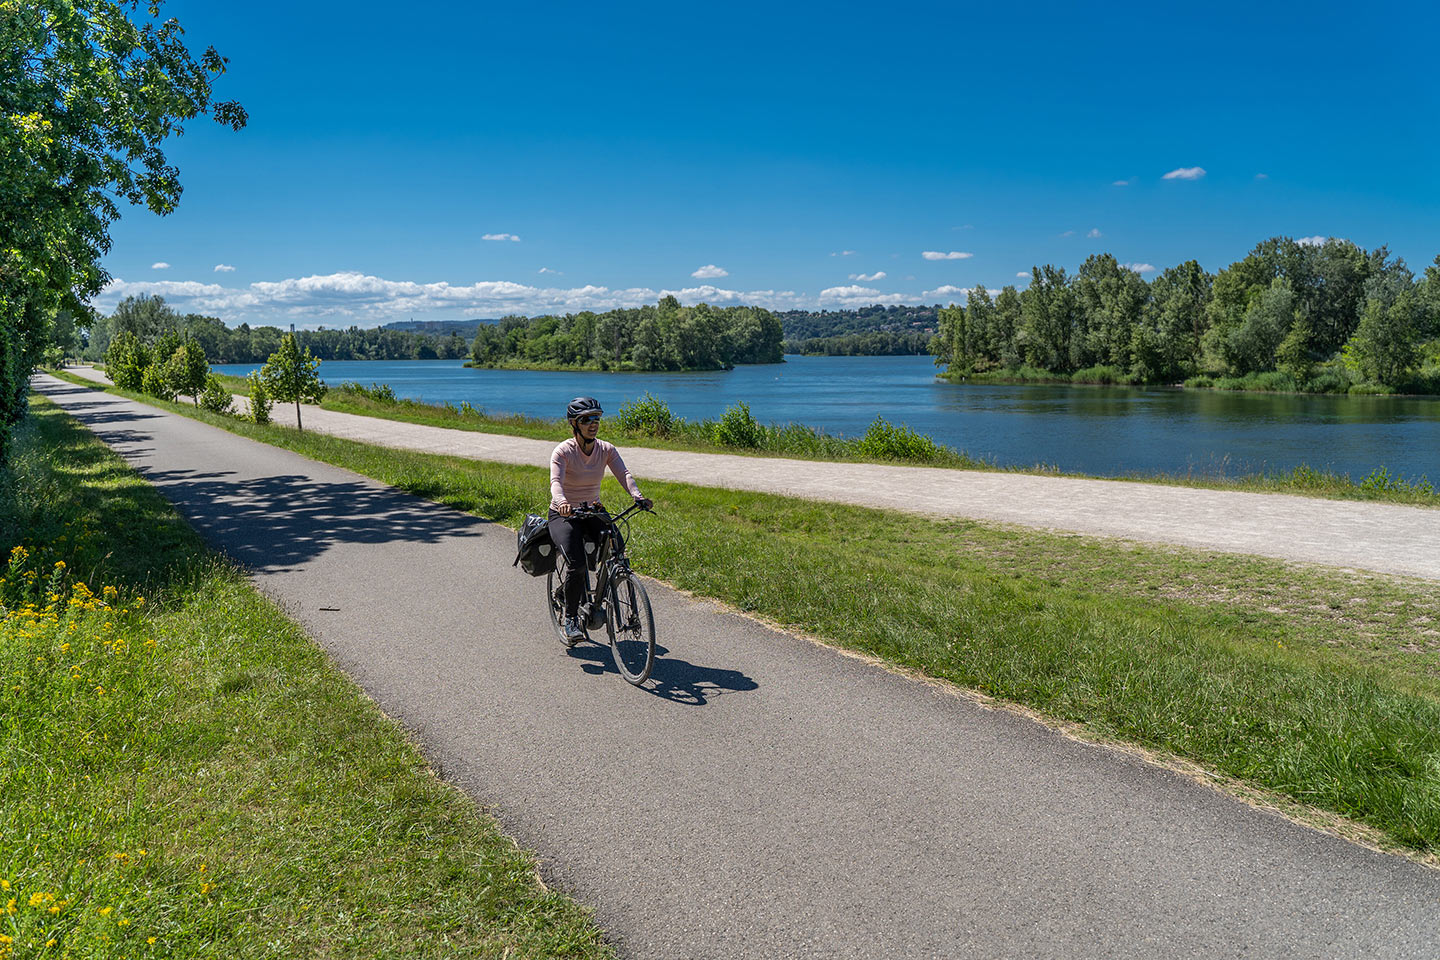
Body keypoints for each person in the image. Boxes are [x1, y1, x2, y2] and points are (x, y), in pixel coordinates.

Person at [549, 396, 652, 643]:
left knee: (618, 549)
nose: (593, 423)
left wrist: (637, 496)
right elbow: (556, 482)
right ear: (574, 424)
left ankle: (602, 594)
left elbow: (623, 474)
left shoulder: (606, 449)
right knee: (577, 564)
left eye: (597, 418)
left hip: (593, 509)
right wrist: (562, 503)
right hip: (565, 514)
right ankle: (571, 619)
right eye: (586, 419)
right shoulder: (563, 451)